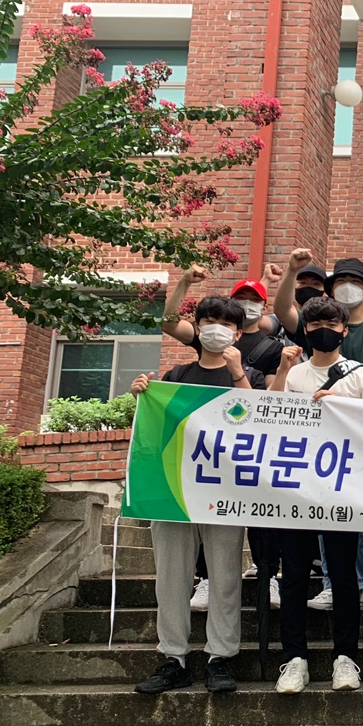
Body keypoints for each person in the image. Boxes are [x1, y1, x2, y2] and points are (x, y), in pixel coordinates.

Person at [130, 296, 264, 695]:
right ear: (197, 327)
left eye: (226, 324)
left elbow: (259, 423)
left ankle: (220, 657)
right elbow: (157, 426)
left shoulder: (250, 375)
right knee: (171, 578)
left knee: (225, 577)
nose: (216, 329)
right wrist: (143, 395)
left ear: (238, 334)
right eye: (209, 321)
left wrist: (238, 375)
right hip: (174, 490)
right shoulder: (177, 375)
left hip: (226, 491)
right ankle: (173, 657)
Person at [275, 250, 363, 616]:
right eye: (342, 281)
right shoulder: (303, 355)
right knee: (325, 517)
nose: (348, 287)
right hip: (316, 451)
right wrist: (291, 271)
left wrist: (361, 409)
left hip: (361, 442)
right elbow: (283, 309)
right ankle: (332, 584)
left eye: (355, 282)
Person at [270, 295, 363, 694]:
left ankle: (345, 657)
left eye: (331, 324)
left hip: (343, 491)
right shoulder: (293, 374)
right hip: (296, 490)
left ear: (344, 330)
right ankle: (294, 659)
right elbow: (268, 419)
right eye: (315, 323)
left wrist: (343, 406)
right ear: (305, 329)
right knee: (294, 576)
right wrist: (281, 371)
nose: (323, 330)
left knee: (343, 574)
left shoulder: (362, 377)